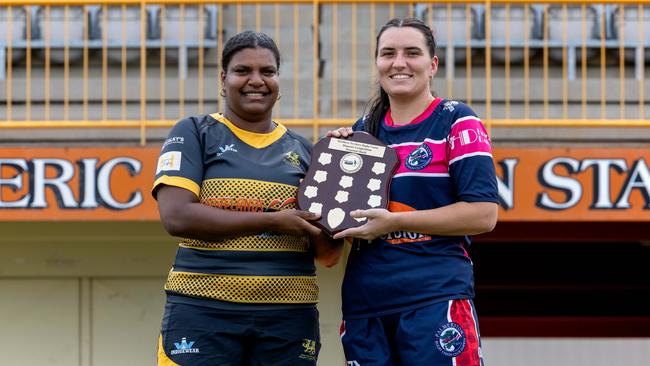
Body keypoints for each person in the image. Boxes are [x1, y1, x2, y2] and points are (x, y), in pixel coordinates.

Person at [152, 30, 343, 366]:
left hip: (288, 317)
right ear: (223, 79)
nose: (257, 80)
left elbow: (328, 256)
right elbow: (177, 217)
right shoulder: (194, 132)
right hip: (203, 311)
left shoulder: (306, 152)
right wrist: (272, 220)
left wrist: (333, 209)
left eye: (267, 72)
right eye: (243, 71)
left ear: (278, 80)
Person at [328, 17, 498, 366]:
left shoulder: (457, 121)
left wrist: (391, 222)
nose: (399, 62)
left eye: (412, 53)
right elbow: (342, 228)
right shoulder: (361, 134)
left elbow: (483, 214)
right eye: (388, 53)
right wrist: (330, 170)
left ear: (432, 64)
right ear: (377, 63)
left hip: (434, 298)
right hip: (365, 306)